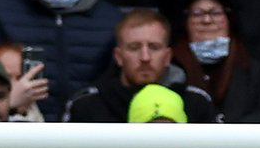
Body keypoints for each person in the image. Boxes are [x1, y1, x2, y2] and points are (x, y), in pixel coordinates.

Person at [63, 8, 219, 123]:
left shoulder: (196, 102)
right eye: (134, 47)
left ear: (167, 56)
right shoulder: (86, 105)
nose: (145, 57)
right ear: (118, 56)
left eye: (154, 47)